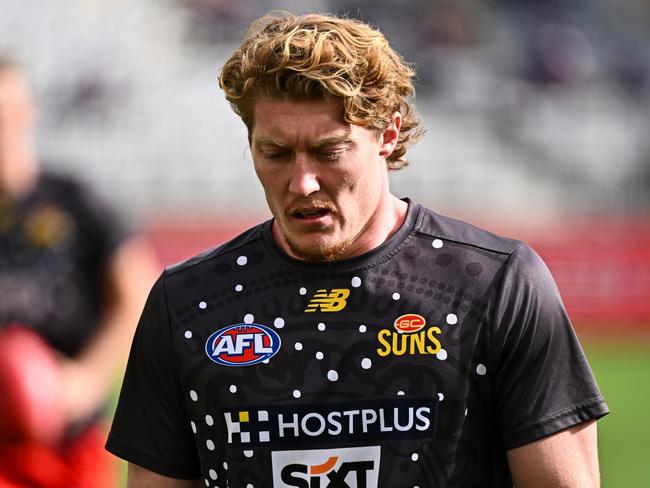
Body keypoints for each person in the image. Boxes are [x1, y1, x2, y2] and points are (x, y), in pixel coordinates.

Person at [106, 12, 609, 488]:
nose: (302, 182)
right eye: (276, 153)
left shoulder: (494, 284)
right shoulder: (188, 302)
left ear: (387, 135)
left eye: (330, 152)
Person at [0, 59, 159, 487]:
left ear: (28, 112)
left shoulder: (75, 200)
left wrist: (87, 378)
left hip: (69, 444)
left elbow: (139, 294)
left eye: (7, 113)